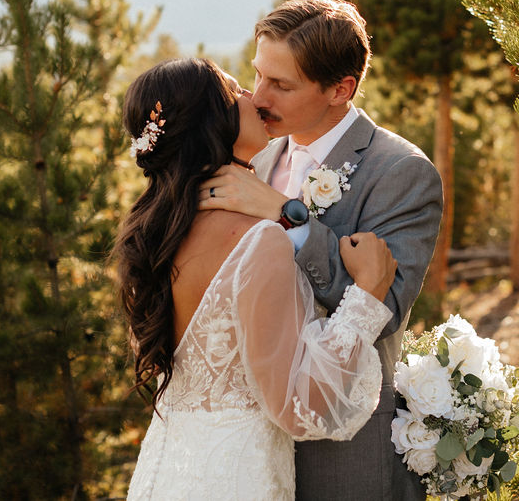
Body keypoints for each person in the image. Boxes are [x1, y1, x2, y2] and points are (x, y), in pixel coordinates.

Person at [114, 58, 400, 500]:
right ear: (213, 120)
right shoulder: (257, 241)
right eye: (235, 90)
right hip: (237, 477)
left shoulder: (158, 232)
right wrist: (366, 295)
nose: (253, 96)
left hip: (166, 470)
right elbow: (299, 409)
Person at [201, 0, 443, 500]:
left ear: (341, 89)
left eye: (281, 85)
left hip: (340, 440)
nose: (257, 96)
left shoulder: (401, 172)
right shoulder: (255, 154)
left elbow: (388, 306)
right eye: (258, 75)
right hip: (249, 437)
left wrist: (283, 213)